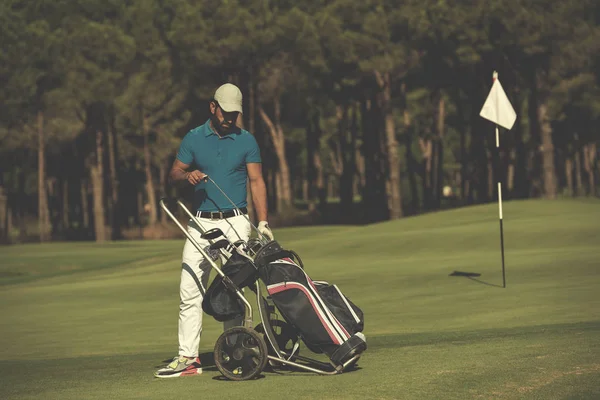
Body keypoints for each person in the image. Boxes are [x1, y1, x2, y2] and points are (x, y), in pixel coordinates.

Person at [154, 83, 274, 378]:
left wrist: (262, 222)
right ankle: (188, 359)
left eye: (235, 113)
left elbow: (257, 181)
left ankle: (236, 353)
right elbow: (174, 172)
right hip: (201, 221)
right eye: (225, 112)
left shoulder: (247, 140)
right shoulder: (194, 138)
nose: (230, 118)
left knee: (234, 289)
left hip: (236, 221)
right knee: (189, 288)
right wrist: (187, 174)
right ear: (213, 107)